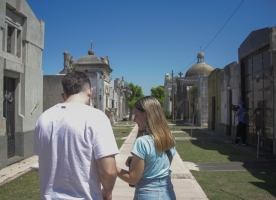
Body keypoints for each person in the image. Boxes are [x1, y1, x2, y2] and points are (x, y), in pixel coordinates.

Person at [34, 71, 119, 200]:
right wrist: (108, 191)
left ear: (64, 95)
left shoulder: (43, 118)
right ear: (90, 91)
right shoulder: (97, 118)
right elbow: (109, 170)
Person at [116, 96, 177, 200]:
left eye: (136, 115)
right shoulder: (169, 139)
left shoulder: (142, 142)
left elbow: (133, 179)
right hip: (168, 193)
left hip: (148, 194)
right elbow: (158, 165)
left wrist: (112, 167)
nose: (134, 119)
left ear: (146, 114)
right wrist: (137, 161)